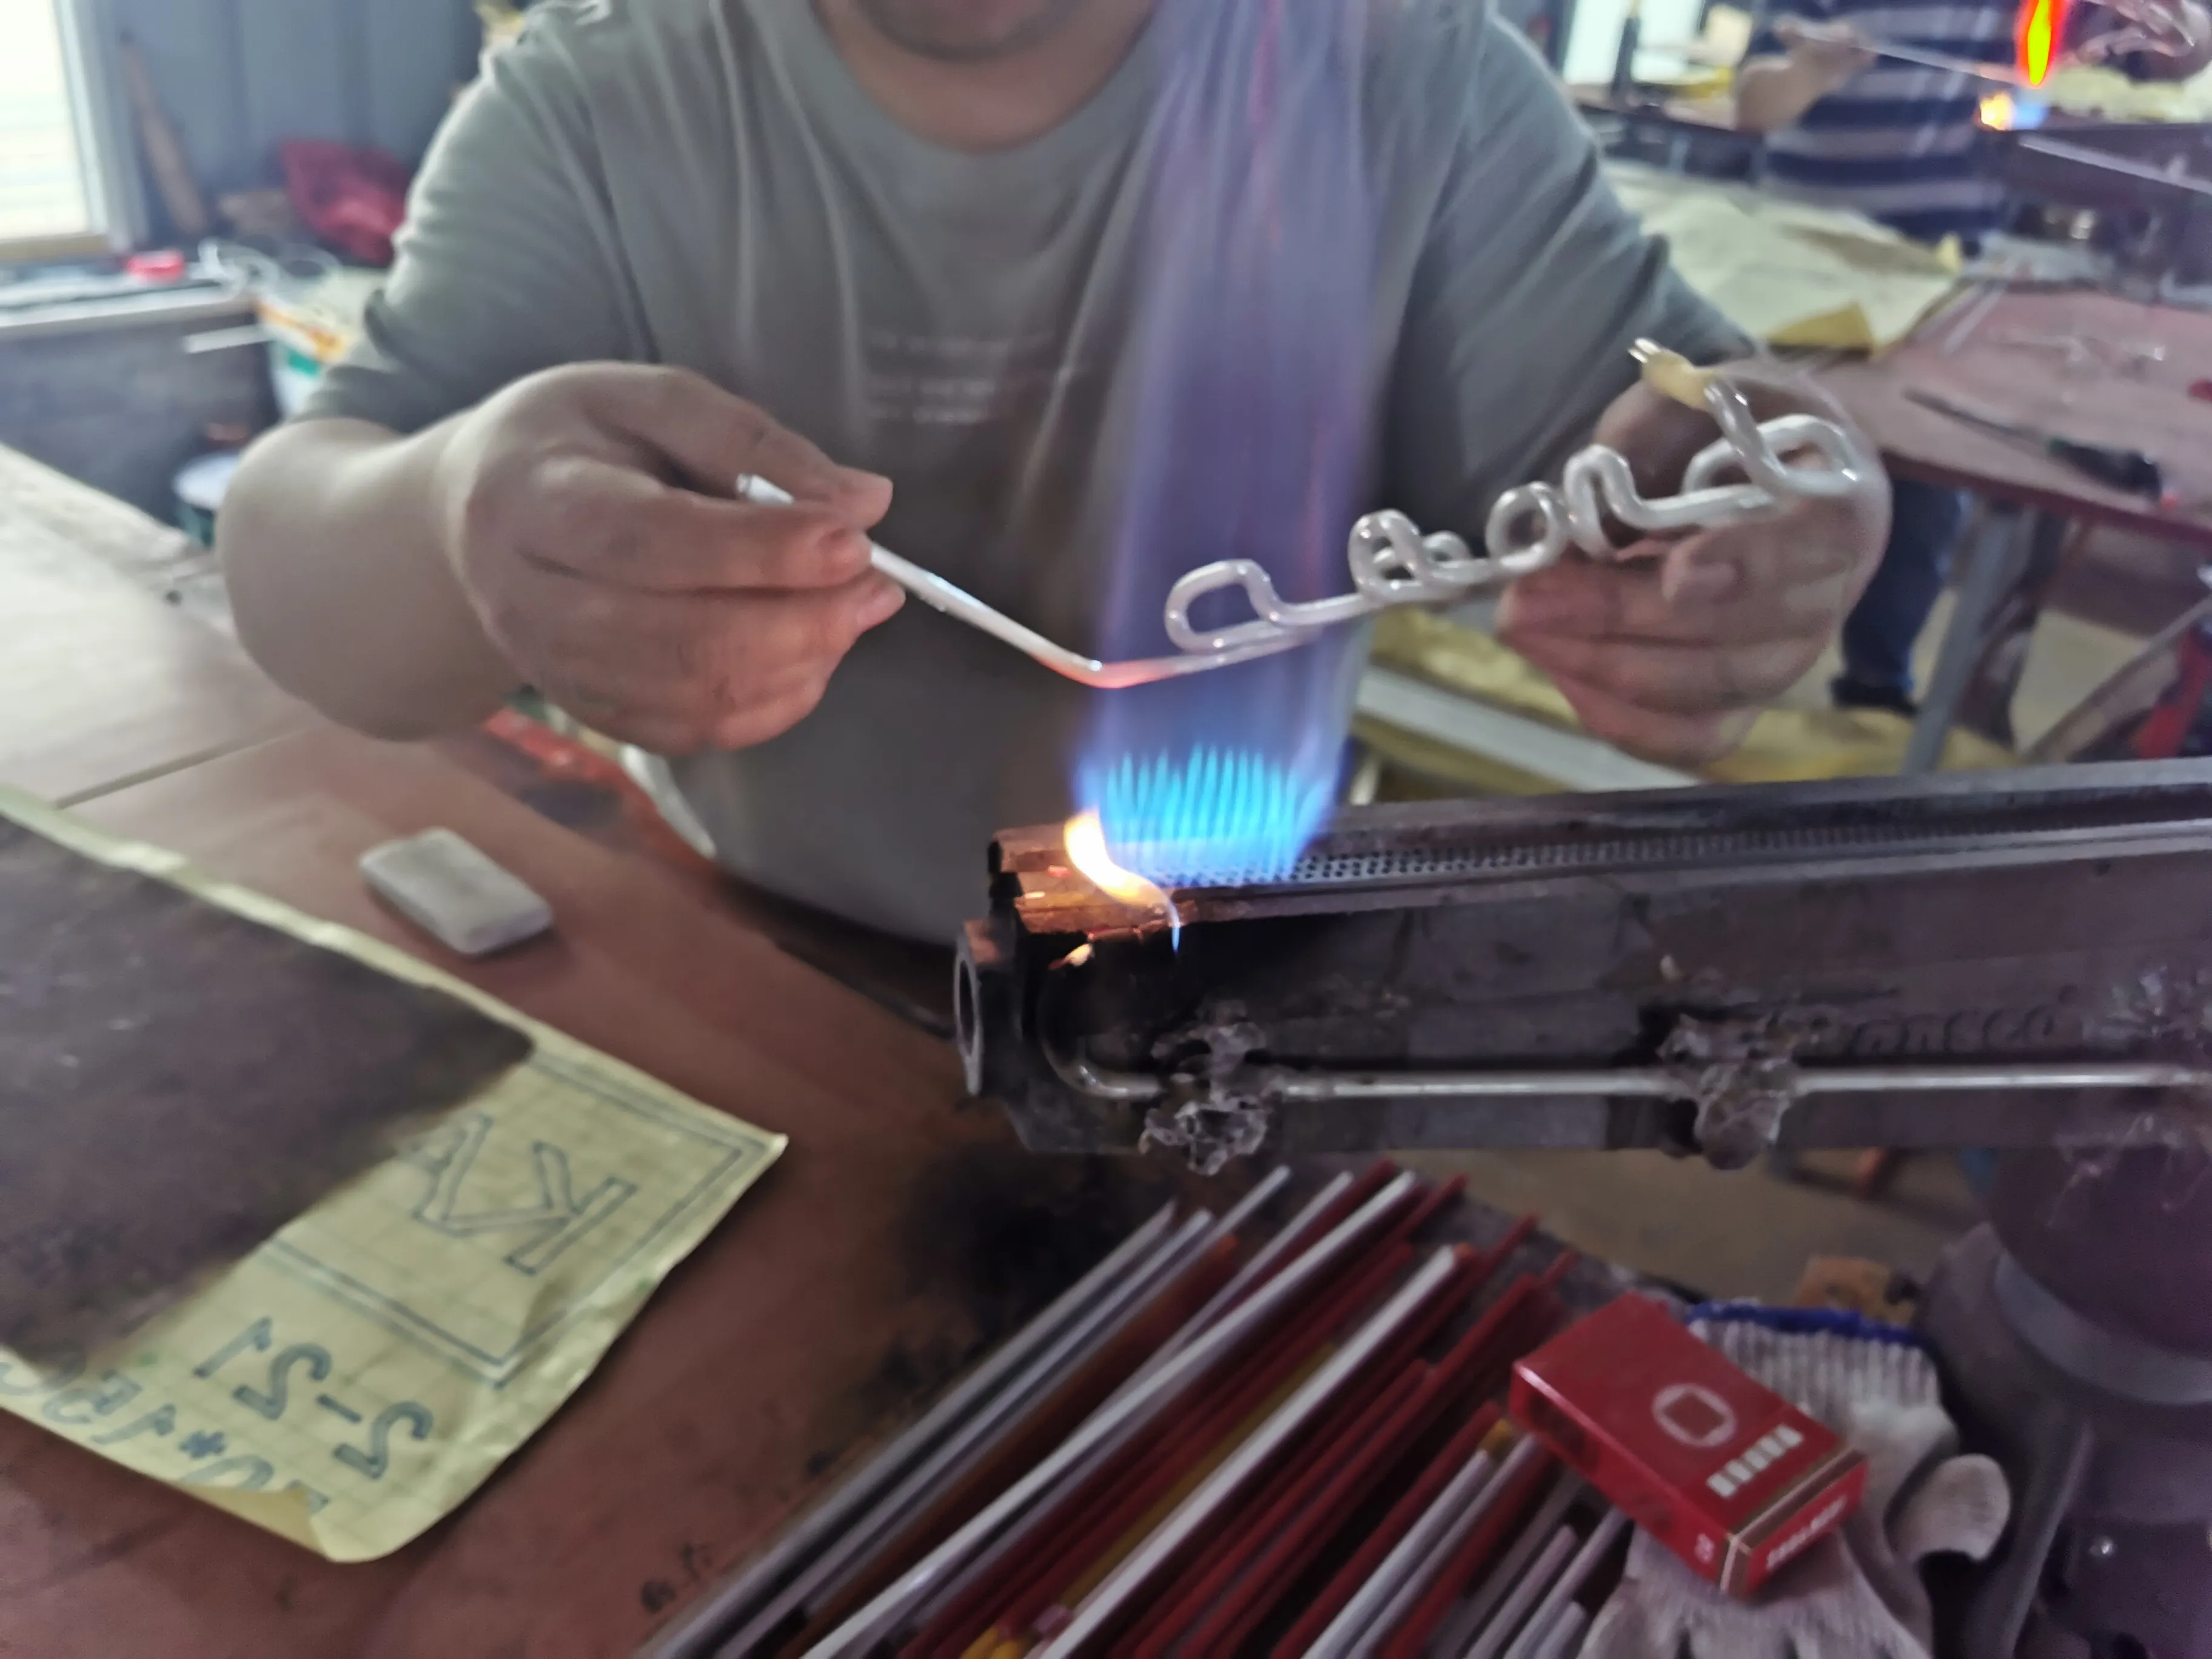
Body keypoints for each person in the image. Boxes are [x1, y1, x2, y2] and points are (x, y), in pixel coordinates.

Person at [220, 0, 1890, 946]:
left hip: (1225, 968)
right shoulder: (596, 104)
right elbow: (299, 549)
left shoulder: (1403, 74)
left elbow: (1691, 411)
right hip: (759, 954)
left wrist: (1784, 481)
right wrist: (457, 512)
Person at [1734, 0, 2210, 714]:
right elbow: (1753, 107)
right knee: (1762, 463)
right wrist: (1810, 71)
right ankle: (1726, 646)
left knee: (1924, 502)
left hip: (1938, 282)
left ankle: (1876, 681)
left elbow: (2172, 58)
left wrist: (2180, 22)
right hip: (1799, 269)